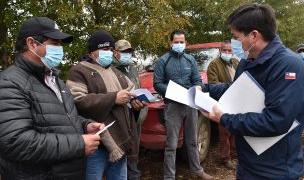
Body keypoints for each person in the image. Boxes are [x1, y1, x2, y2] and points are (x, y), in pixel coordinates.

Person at [202, 3, 304, 179]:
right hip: (247, 162)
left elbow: (276, 121)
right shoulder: (248, 61)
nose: (234, 43)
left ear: (254, 35)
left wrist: (225, 118)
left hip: (275, 169)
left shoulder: (289, 65)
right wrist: (204, 89)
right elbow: (236, 90)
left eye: (236, 37)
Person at [0, 17, 104, 180]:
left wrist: (85, 125)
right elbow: (15, 142)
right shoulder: (9, 82)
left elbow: (60, 118)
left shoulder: (56, 80)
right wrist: (79, 144)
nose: (60, 49)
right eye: (55, 43)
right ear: (32, 43)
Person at [66, 30, 141, 180]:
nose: (109, 53)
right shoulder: (79, 71)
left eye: (111, 50)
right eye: (104, 49)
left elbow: (133, 92)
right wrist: (113, 98)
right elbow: (77, 100)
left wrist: (137, 102)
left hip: (120, 140)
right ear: (92, 51)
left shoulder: (116, 72)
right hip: (96, 143)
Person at [154, 29, 213, 180]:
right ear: (170, 43)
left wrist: (198, 87)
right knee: (171, 145)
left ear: (186, 43)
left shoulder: (190, 60)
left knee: (192, 140)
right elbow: (157, 84)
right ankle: (169, 177)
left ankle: (198, 171)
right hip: (173, 106)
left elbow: (197, 80)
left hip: (191, 105)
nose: (179, 44)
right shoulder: (163, 60)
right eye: (176, 42)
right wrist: (173, 92)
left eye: (182, 42)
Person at [113, 39, 148, 180]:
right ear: (115, 53)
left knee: (135, 147)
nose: (127, 54)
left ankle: (133, 173)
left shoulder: (132, 68)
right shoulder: (111, 69)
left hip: (136, 115)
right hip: (121, 117)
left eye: (129, 51)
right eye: (124, 52)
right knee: (123, 148)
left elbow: (138, 87)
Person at [206, 42, 239, 170]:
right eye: (224, 50)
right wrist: (231, 88)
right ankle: (225, 157)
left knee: (236, 128)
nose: (227, 52)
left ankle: (234, 153)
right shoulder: (213, 64)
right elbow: (213, 85)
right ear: (220, 51)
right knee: (225, 132)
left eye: (229, 50)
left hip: (237, 101)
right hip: (223, 101)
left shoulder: (236, 62)